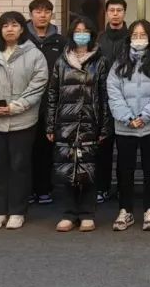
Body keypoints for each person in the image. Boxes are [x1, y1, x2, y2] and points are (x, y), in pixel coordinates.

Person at [0, 11, 49, 230]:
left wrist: (16, 106)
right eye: (5, 25)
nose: (10, 29)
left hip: (22, 121)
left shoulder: (34, 54)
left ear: (22, 29)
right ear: (0, 29)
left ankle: (17, 211)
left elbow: (38, 84)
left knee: (19, 166)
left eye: (14, 25)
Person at [45, 16, 110, 233]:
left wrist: (105, 126)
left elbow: (105, 96)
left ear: (92, 34)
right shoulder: (62, 61)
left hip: (90, 123)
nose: (81, 34)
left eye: (85, 31)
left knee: (88, 169)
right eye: (77, 31)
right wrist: (50, 125)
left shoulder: (100, 61)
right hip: (65, 123)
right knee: (65, 169)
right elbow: (52, 94)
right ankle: (68, 214)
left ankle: (87, 214)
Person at [107, 20, 150, 232]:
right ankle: (125, 210)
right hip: (125, 126)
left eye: (142, 35)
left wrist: (145, 116)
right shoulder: (119, 63)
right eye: (134, 35)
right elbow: (113, 92)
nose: (138, 39)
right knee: (124, 170)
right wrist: (127, 117)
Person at [27, 0, 66, 206]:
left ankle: (44, 189)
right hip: (26, 103)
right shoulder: (23, 40)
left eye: (47, 11)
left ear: (52, 14)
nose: (42, 15)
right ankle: (28, 189)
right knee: (26, 149)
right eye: (38, 11)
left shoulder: (60, 41)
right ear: (31, 14)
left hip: (52, 103)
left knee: (46, 148)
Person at [95, 0, 130, 204]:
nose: (115, 14)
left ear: (124, 12)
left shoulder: (132, 38)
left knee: (125, 150)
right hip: (102, 101)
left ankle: (123, 189)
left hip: (127, 101)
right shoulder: (98, 39)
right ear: (107, 13)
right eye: (112, 10)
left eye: (119, 10)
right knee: (103, 147)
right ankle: (102, 187)